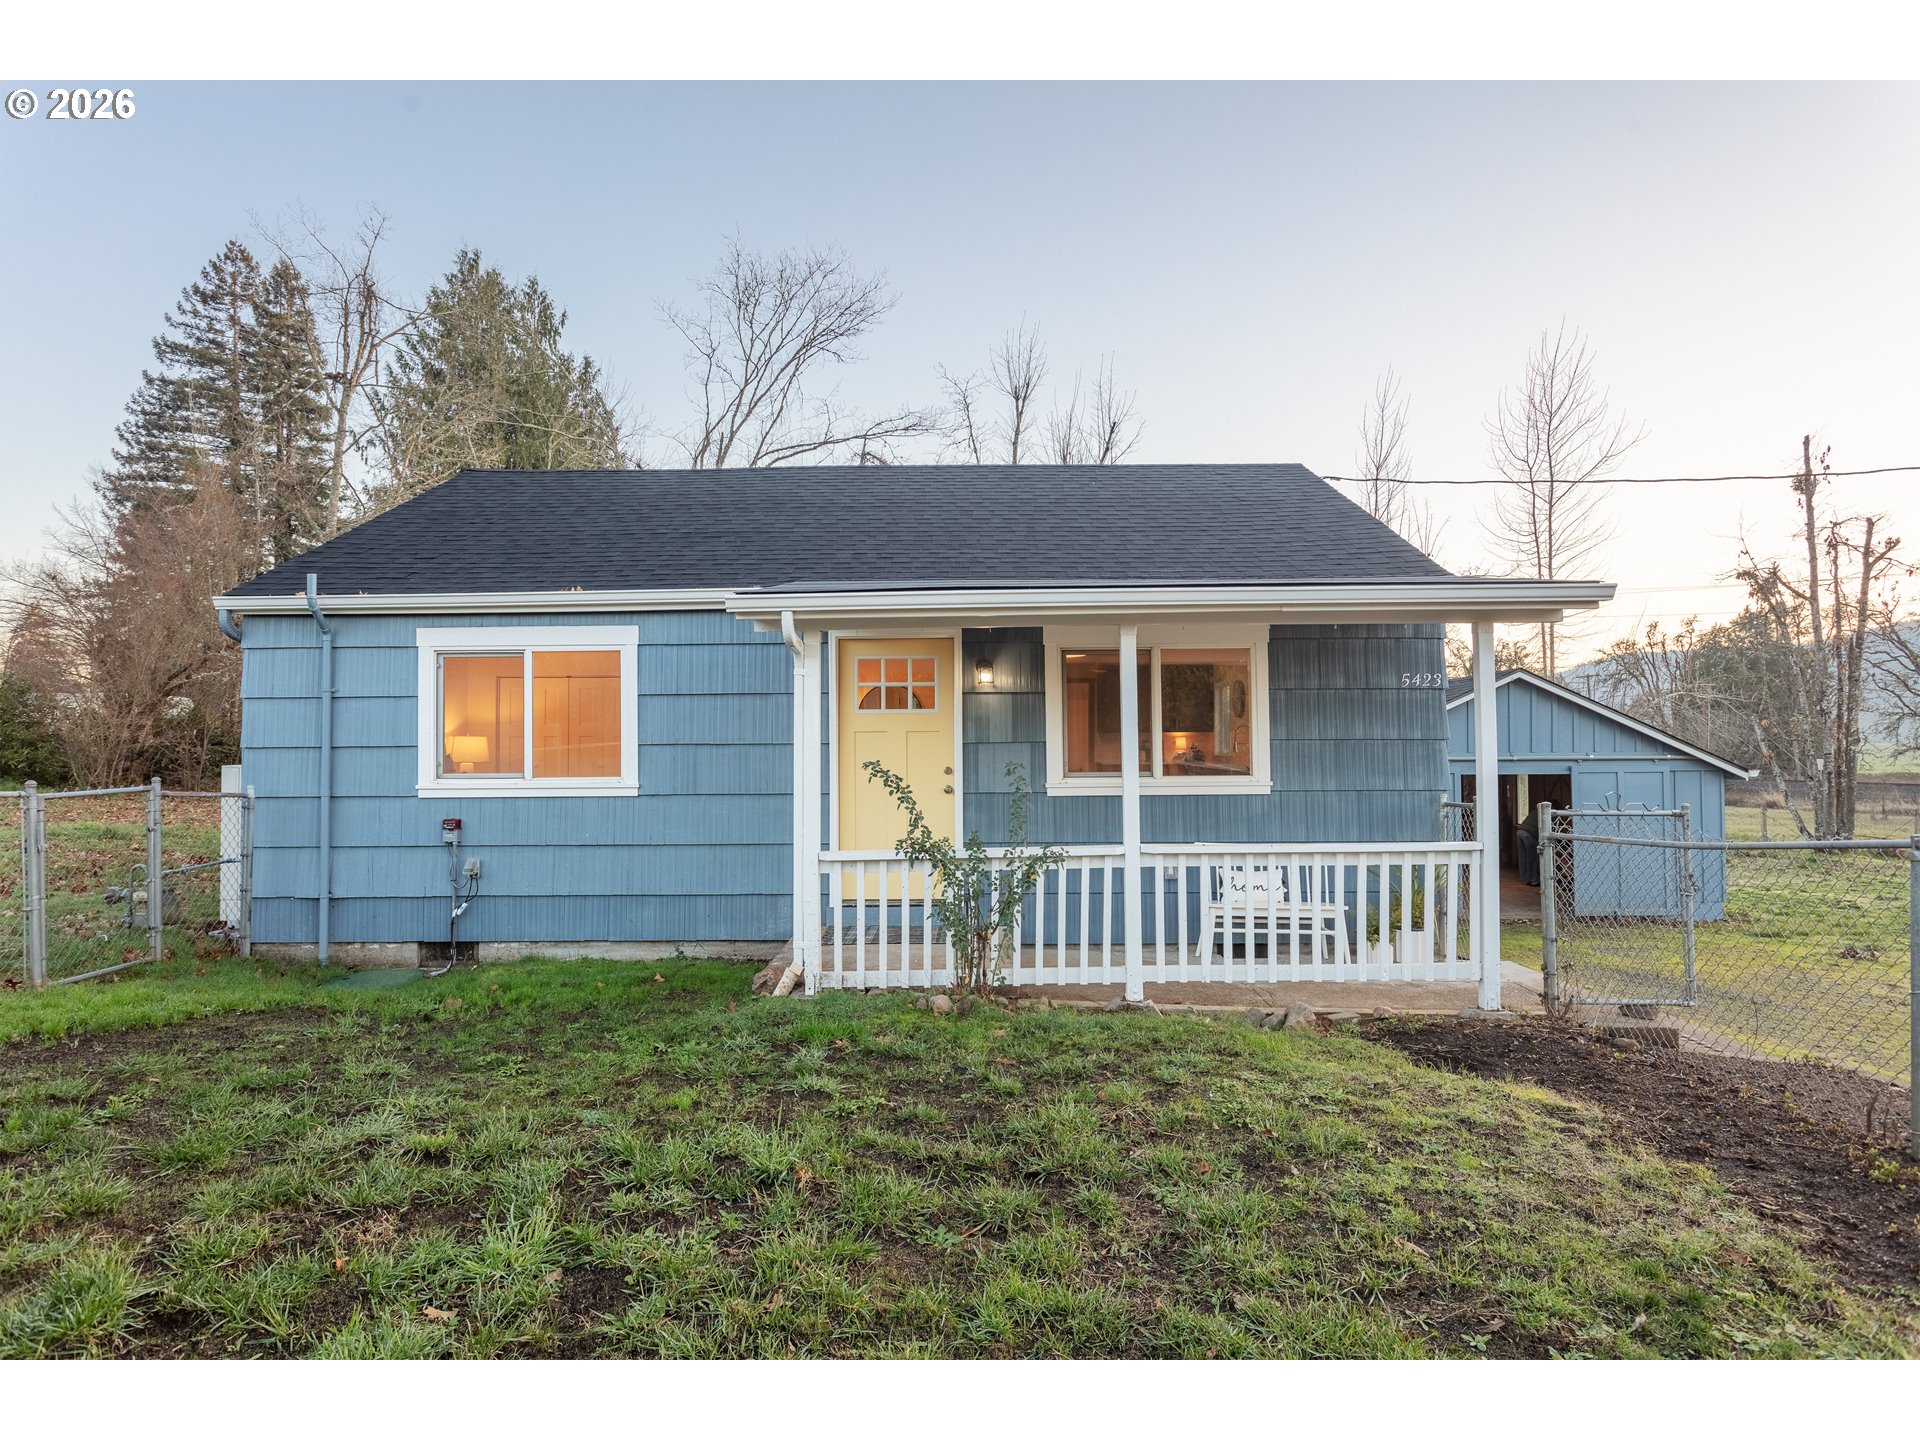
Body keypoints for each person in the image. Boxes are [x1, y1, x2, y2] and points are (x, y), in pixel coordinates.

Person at [1514, 805, 1541, 885]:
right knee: (1533, 857)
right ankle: (1535, 880)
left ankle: (1526, 878)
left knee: (1524, 857)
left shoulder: (1534, 812)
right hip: (1529, 834)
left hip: (1520, 831)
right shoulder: (1546, 814)